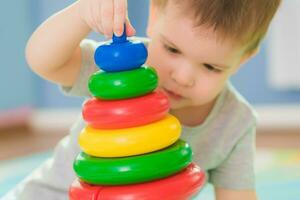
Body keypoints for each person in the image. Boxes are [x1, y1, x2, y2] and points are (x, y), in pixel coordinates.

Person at [2, 0, 281, 199]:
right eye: (172, 49)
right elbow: (43, 61)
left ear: (242, 60)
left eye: (211, 67)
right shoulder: (120, 69)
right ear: (154, 16)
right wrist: (81, 13)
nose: (183, 77)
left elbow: (238, 195)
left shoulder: (236, 124)